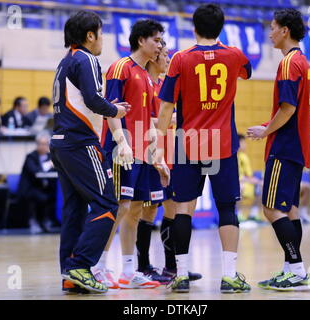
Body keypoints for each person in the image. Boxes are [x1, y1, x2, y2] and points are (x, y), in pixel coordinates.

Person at [155, 3, 252, 293]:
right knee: (227, 208)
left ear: (194, 28)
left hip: (189, 142)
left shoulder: (181, 59)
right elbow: (246, 71)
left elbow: (166, 106)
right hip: (222, 142)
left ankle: (181, 275)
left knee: (183, 209)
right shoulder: (235, 55)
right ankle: (230, 275)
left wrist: (157, 144)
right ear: (220, 28)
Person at [50, 10, 130, 294]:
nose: (103, 39)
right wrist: (116, 109)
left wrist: (107, 106)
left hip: (60, 142)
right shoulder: (87, 59)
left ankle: (70, 272)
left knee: (74, 208)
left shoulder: (65, 61)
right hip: (80, 143)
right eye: (101, 33)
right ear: (90, 35)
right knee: (107, 203)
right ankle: (81, 265)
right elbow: (94, 100)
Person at [95, 18, 166, 290]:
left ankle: (127, 272)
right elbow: (110, 108)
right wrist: (119, 140)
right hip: (120, 150)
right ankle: (99, 266)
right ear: (141, 40)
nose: (159, 46)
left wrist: (156, 156)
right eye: (156, 40)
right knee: (118, 206)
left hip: (141, 153)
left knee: (136, 209)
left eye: (160, 41)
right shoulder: (120, 68)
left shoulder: (147, 76)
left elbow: (148, 121)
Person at [247, 8, 310, 291]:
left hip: (284, 147)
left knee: (271, 209)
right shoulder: (304, 63)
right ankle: (290, 269)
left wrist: (266, 130)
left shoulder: (288, 64)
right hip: (296, 147)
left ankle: (297, 270)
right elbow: (293, 112)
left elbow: (288, 108)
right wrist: (268, 125)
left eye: (273, 27)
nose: (270, 32)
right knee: (290, 210)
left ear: (285, 30)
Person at [135, 40, 202, 284]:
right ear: (155, 58)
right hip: (151, 153)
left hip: (172, 153)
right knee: (148, 209)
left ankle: (172, 267)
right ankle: (142, 266)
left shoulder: (165, 84)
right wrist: (168, 117)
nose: (168, 60)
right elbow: (138, 119)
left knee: (172, 209)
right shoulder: (144, 83)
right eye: (165, 56)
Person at [17, 132, 57, 233]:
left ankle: (47, 222)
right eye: (40, 144)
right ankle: (33, 221)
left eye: (45, 144)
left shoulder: (51, 157)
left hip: (45, 187)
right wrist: (48, 165)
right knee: (39, 196)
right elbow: (35, 172)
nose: (42, 146)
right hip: (30, 188)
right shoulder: (30, 157)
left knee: (54, 195)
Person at [237, 134, 263, 224]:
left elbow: (249, 175)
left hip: (245, 182)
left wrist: (257, 181)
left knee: (262, 185)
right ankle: (238, 214)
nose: (245, 145)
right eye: (243, 143)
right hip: (235, 184)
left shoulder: (244, 157)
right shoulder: (232, 158)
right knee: (239, 187)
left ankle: (253, 214)